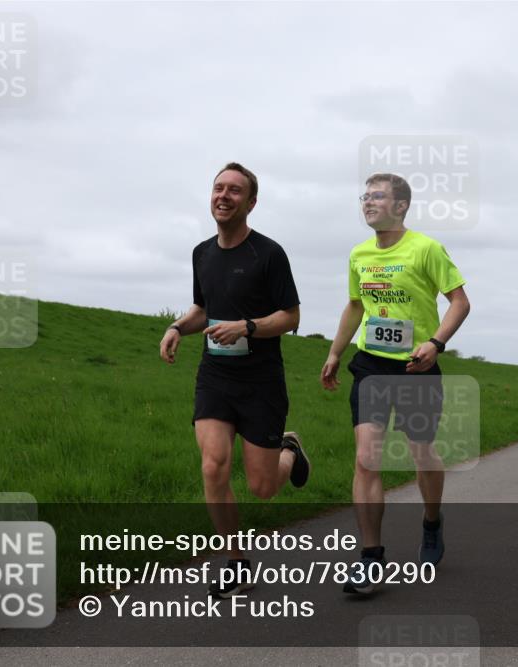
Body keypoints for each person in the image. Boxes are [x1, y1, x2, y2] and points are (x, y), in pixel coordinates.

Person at [158, 162, 310, 599]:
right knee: (213, 466)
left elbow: (291, 317)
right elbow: (202, 308)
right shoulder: (201, 253)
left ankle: (290, 450)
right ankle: (236, 562)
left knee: (262, 488)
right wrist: (175, 328)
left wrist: (247, 326)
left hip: (261, 380)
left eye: (235, 191)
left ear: (251, 202)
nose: (224, 196)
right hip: (216, 376)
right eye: (218, 188)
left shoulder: (269, 254)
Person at [320, 173, 470, 595]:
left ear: (401, 206)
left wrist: (436, 343)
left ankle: (432, 521)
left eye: (378, 196)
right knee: (367, 458)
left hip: (415, 367)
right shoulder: (359, 253)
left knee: (421, 451)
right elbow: (354, 304)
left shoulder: (426, 248)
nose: (368, 202)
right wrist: (335, 352)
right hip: (370, 365)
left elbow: (460, 301)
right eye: (364, 196)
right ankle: (370, 558)